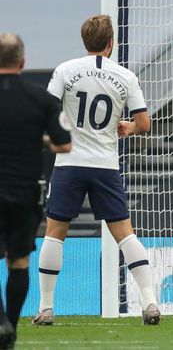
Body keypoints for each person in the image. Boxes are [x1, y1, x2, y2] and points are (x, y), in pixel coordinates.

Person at [33, 15, 161, 326]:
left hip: (70, 163)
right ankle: (150, 302)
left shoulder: (65, 69)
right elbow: (144, 124)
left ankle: (46, 308)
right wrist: (128, 127)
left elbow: (47, 110)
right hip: (105, 165)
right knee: (125, 235)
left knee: (54, 234)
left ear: (85, 41)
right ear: (110, 43)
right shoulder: (125, 76)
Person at [0, 34, 71, 349]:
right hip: (24, 192)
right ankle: (11, 329)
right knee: (18, 262)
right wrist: (39, 140)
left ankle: (0, 320)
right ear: (23, 62)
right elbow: (64, 144)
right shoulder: (41, 99)